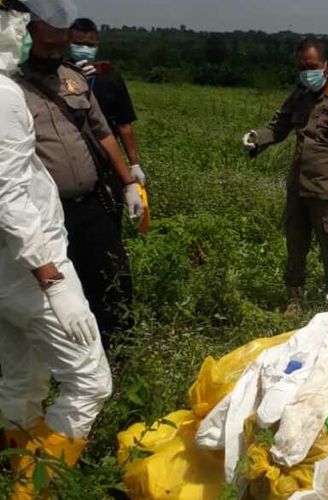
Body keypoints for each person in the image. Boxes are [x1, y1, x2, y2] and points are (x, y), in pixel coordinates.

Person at [0, 0, 111, 495]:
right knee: (90, 381)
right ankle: (33, 488)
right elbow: (8, 194)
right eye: (21, 24)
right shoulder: (4, 95)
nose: (26, 35)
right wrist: (50, 275)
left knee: (21, 378)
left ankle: (14, 466)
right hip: (30, 268)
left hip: (7, 271)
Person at [14, 13, 144, 345]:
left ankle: (120, 351)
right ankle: (65, 352)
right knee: (60, 287)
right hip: (46, 214)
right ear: (28, 36)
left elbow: (104, 134)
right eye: (50, 42)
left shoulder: (74, 79)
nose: (58, 49)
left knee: (113, 277)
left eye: (62, 41)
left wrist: (128, 181)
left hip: (92, 203)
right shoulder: (10, 88)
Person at [242, 37, 328, 316]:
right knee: (295, 247)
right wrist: (256, 139)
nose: (306, 71)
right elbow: (278, 127)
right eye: (301, 66)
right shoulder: (298, 96)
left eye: (311, 66)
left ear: (326, 65)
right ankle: (294, 299)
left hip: (327, 193)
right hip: (298, 189)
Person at [68, 17, 146, 200]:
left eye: (89, 45)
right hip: (71, 157)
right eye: (78, 44)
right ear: (68, 43)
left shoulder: (111, 79)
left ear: (97, 46)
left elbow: (124, 124)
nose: (84, 49)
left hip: (106, 159)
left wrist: (134, 164)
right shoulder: (58, 74)